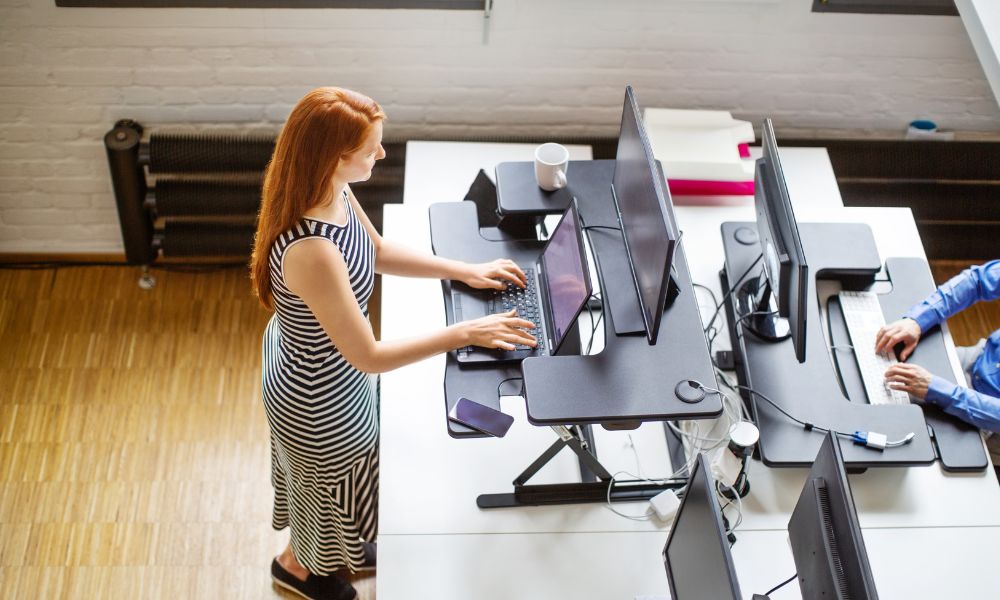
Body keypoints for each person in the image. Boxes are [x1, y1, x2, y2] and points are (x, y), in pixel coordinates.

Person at [249, 87, 537, 600]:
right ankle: (298, 569)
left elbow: (376, 251)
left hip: (329, 367)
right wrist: (467, 332)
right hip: (318, 397)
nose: (380, 155)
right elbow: (370, 355)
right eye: (370, 149)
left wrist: (466, 270)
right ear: (336, 157)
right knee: (326, 494)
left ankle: (332, 550)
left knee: (339, 490)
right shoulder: (312, 251)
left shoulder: (331, 188)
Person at [876, 260, 1000, 476]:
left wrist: (937, 389)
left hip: (989, 422)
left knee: (914, 468)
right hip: (977, 359)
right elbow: (978, 280)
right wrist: (917, 320)